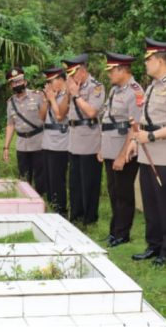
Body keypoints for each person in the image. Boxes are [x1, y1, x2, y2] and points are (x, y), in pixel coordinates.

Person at [128, 38, 166, 266]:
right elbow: (147, 120)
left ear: (161, 60)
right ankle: (153, 245)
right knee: (150, 201)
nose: (146, 63)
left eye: (149, 59)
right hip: (147, 151)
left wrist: (152, 136)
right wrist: (138, 139)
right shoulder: (153, 86)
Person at [100, 52, 143, 247]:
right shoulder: (115, 90)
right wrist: (103, 148)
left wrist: (122, 155)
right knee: (114, 192)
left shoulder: (135, 92)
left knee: (124, 194)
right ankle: (114, 230)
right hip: (110, 146)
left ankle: (122, 234)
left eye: (111, 71)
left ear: (122, 70)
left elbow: (134, 128)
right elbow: (108, 121)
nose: (109, 74)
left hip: (124, 151)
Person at [64, 53, 104, 226]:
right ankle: (76, 215)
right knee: (74, 182)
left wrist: (76, 94)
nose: (70, 78)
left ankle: (90, 218)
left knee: (89, 181)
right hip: (73, 139)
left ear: (81, 71)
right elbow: (63, 112)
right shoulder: (73, 86)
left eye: (72, 74)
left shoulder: (96, 87)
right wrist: (69, 92)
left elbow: (92, 112)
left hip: (90, 139)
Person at [3, 66, 45, 195]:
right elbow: (10, 125)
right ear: (11, 86)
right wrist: (6, 147)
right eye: (14, 82)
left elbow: (46, 117)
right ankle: (25, 201)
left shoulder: (37, 96)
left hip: (39, 143)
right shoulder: (10, 103)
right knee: (24, 177)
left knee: (40, 178)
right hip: (22, 145)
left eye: (19, 81)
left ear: (25, 82)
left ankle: (41, 201)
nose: (17, 84)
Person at [40, 66, 70, 217]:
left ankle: (61, 210)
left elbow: (60, 116)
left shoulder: (66, 96)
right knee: (49, 179)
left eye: (50, 81)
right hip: (47, 141)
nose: (48, 85)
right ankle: (52, 205)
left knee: (58, 179)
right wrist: (46, 100)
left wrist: (52, 99)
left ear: (60, 80)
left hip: (60, 143)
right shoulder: (51, 95)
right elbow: (41, 117)